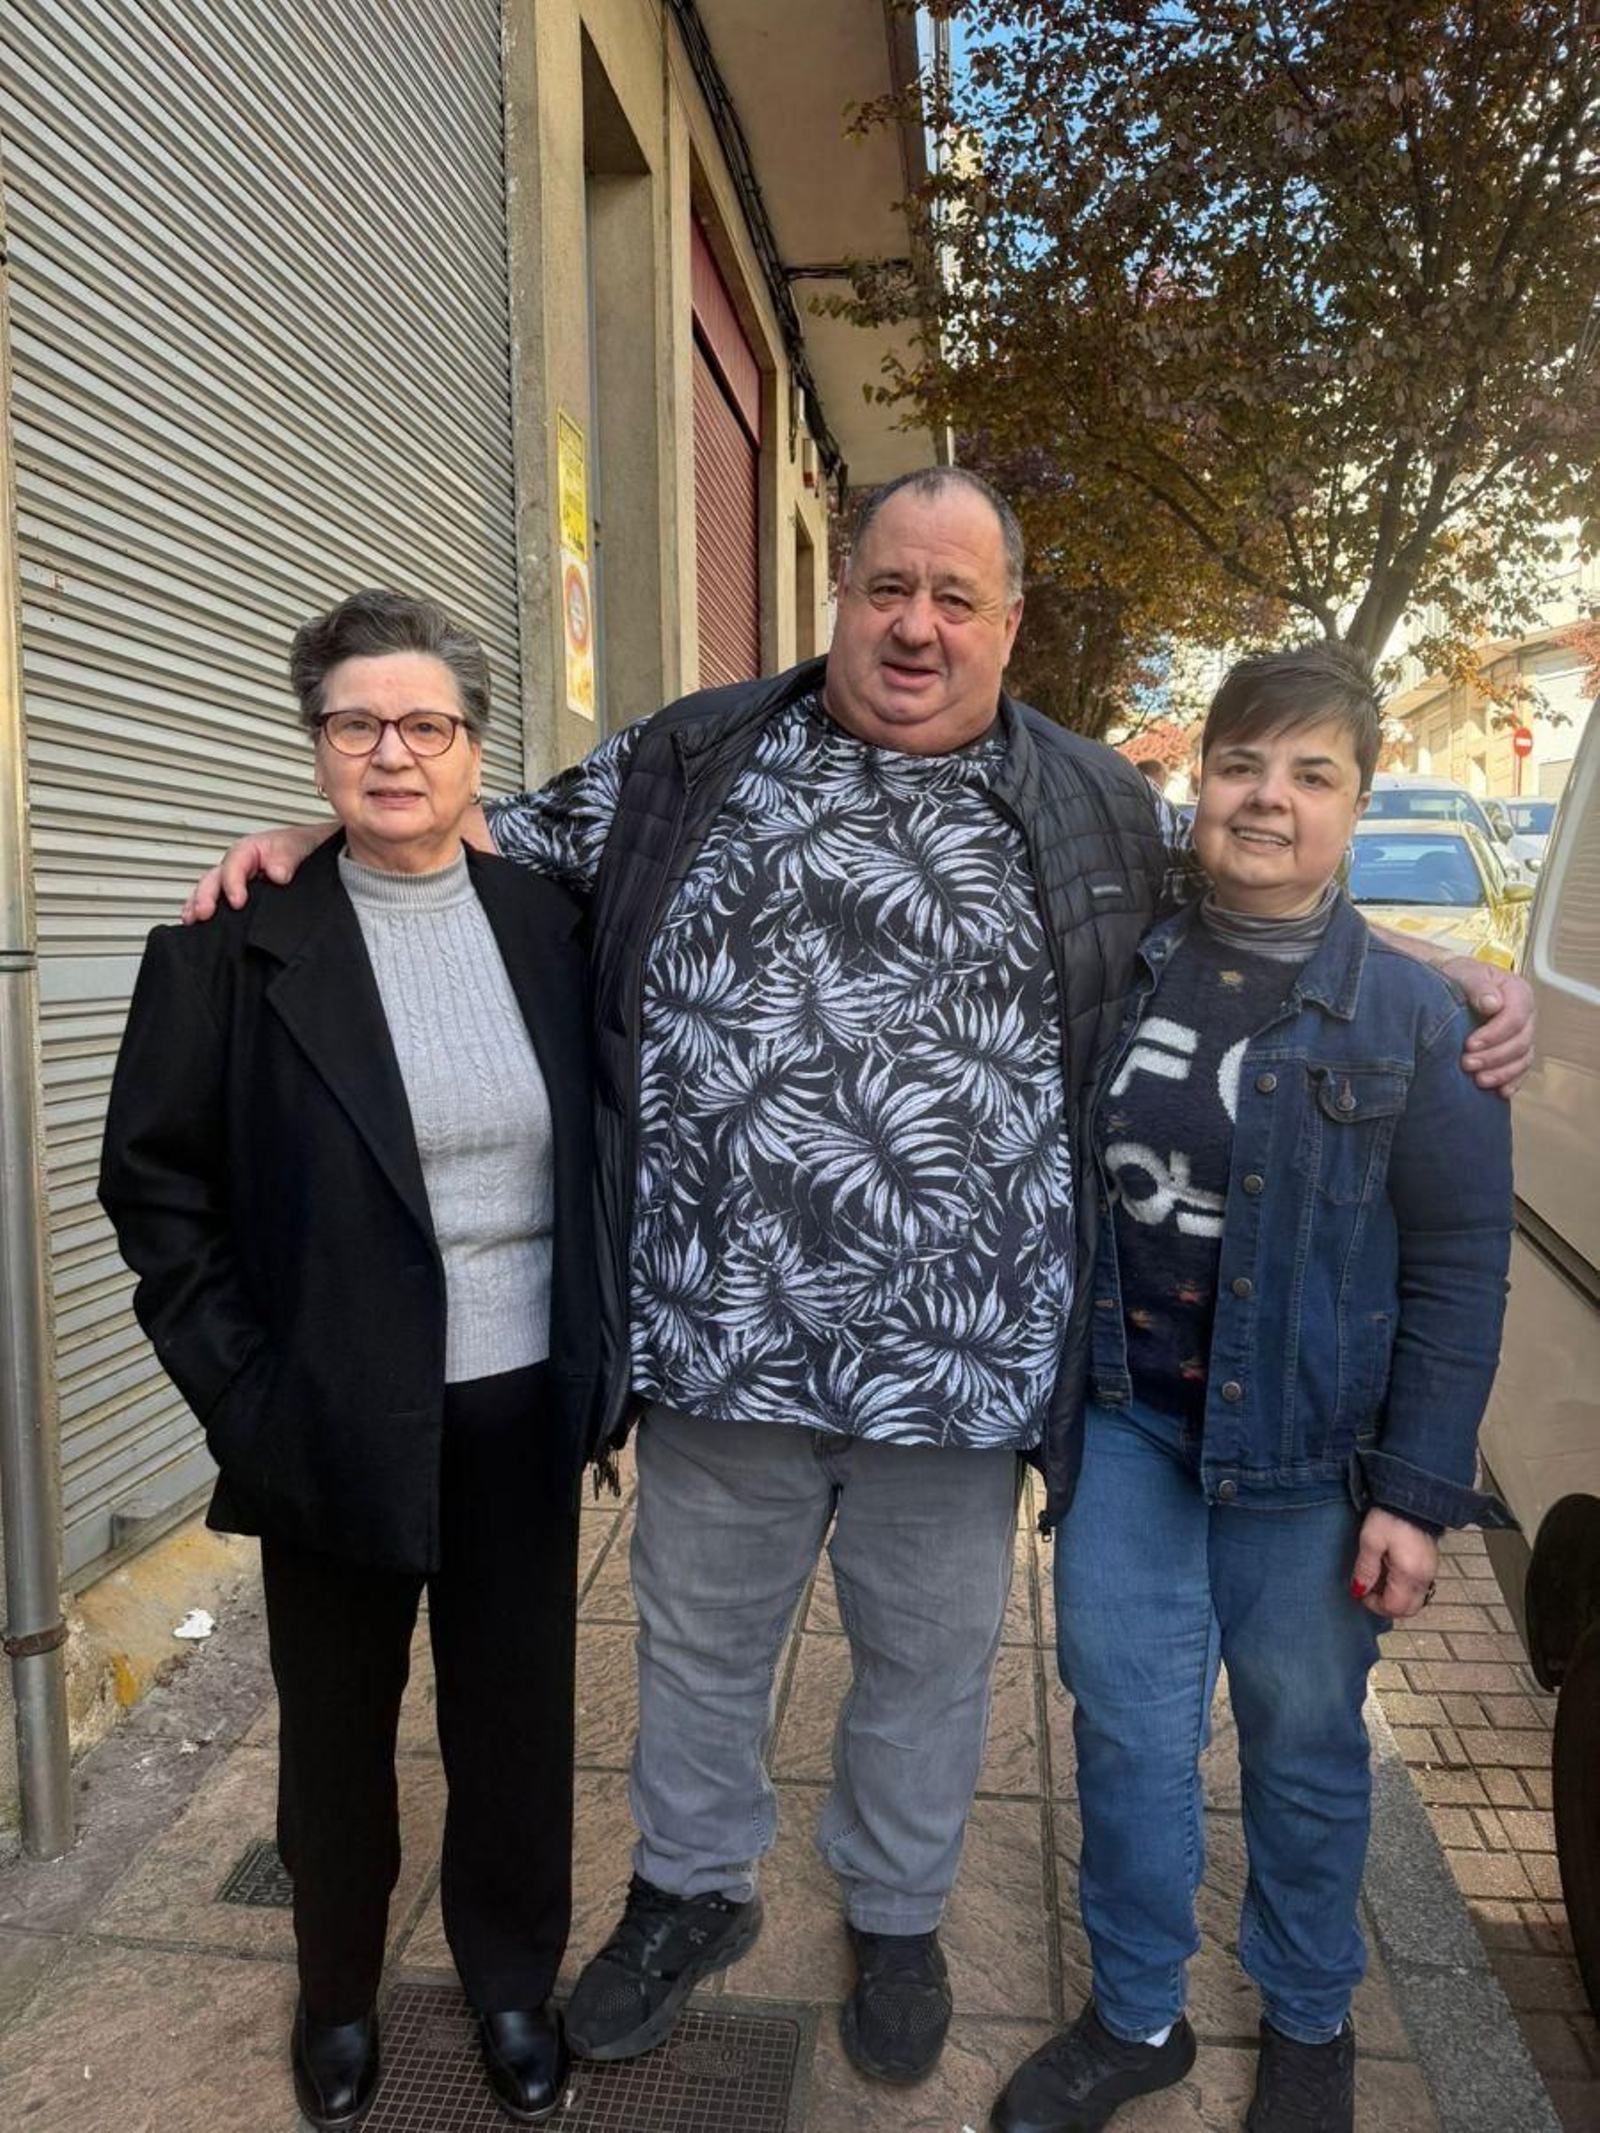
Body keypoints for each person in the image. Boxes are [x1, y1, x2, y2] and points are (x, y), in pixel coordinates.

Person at [182, 471, 1533, 2091]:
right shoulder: (690, 753)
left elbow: (1265, 878)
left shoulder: (1097, 800)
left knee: (925, 1665)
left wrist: (1434, 967)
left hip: (960, 1370)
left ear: (1007, 623)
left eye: (957, 600)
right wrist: (304, 838)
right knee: (697, 1652)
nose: (916, 624)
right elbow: (471, 833)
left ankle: (897, 1913)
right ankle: (688, 1895)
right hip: (716, 1342)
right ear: (841, 598)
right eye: (889, 586)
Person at [991, 645, 1514, 2133]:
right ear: (1196, 783)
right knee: (1134, 1733)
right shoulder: (1129, 957)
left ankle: (1309, 2016)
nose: (1268, 799)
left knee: (1303, 1739)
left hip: (1312, 1459)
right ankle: (1140, 2011)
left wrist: (1417, 1491)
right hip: (1129, 1427)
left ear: (1355, 805)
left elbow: (1463, 1266)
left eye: (1312, 775)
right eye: (1242, 765)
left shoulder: (1419, 1024)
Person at [100, 590, 599, 2130]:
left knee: (515, 1715)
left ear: (474, 748)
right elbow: (156, 1192)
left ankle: (511, 1976)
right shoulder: (226, 947)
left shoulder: (549, 922)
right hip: (327, 1414)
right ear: (315, 745)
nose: (394, 752)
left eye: (427, 723)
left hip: (520, 1403)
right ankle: (335, 1991)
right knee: (334, 1722)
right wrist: (250, 1399)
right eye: (357, 723)